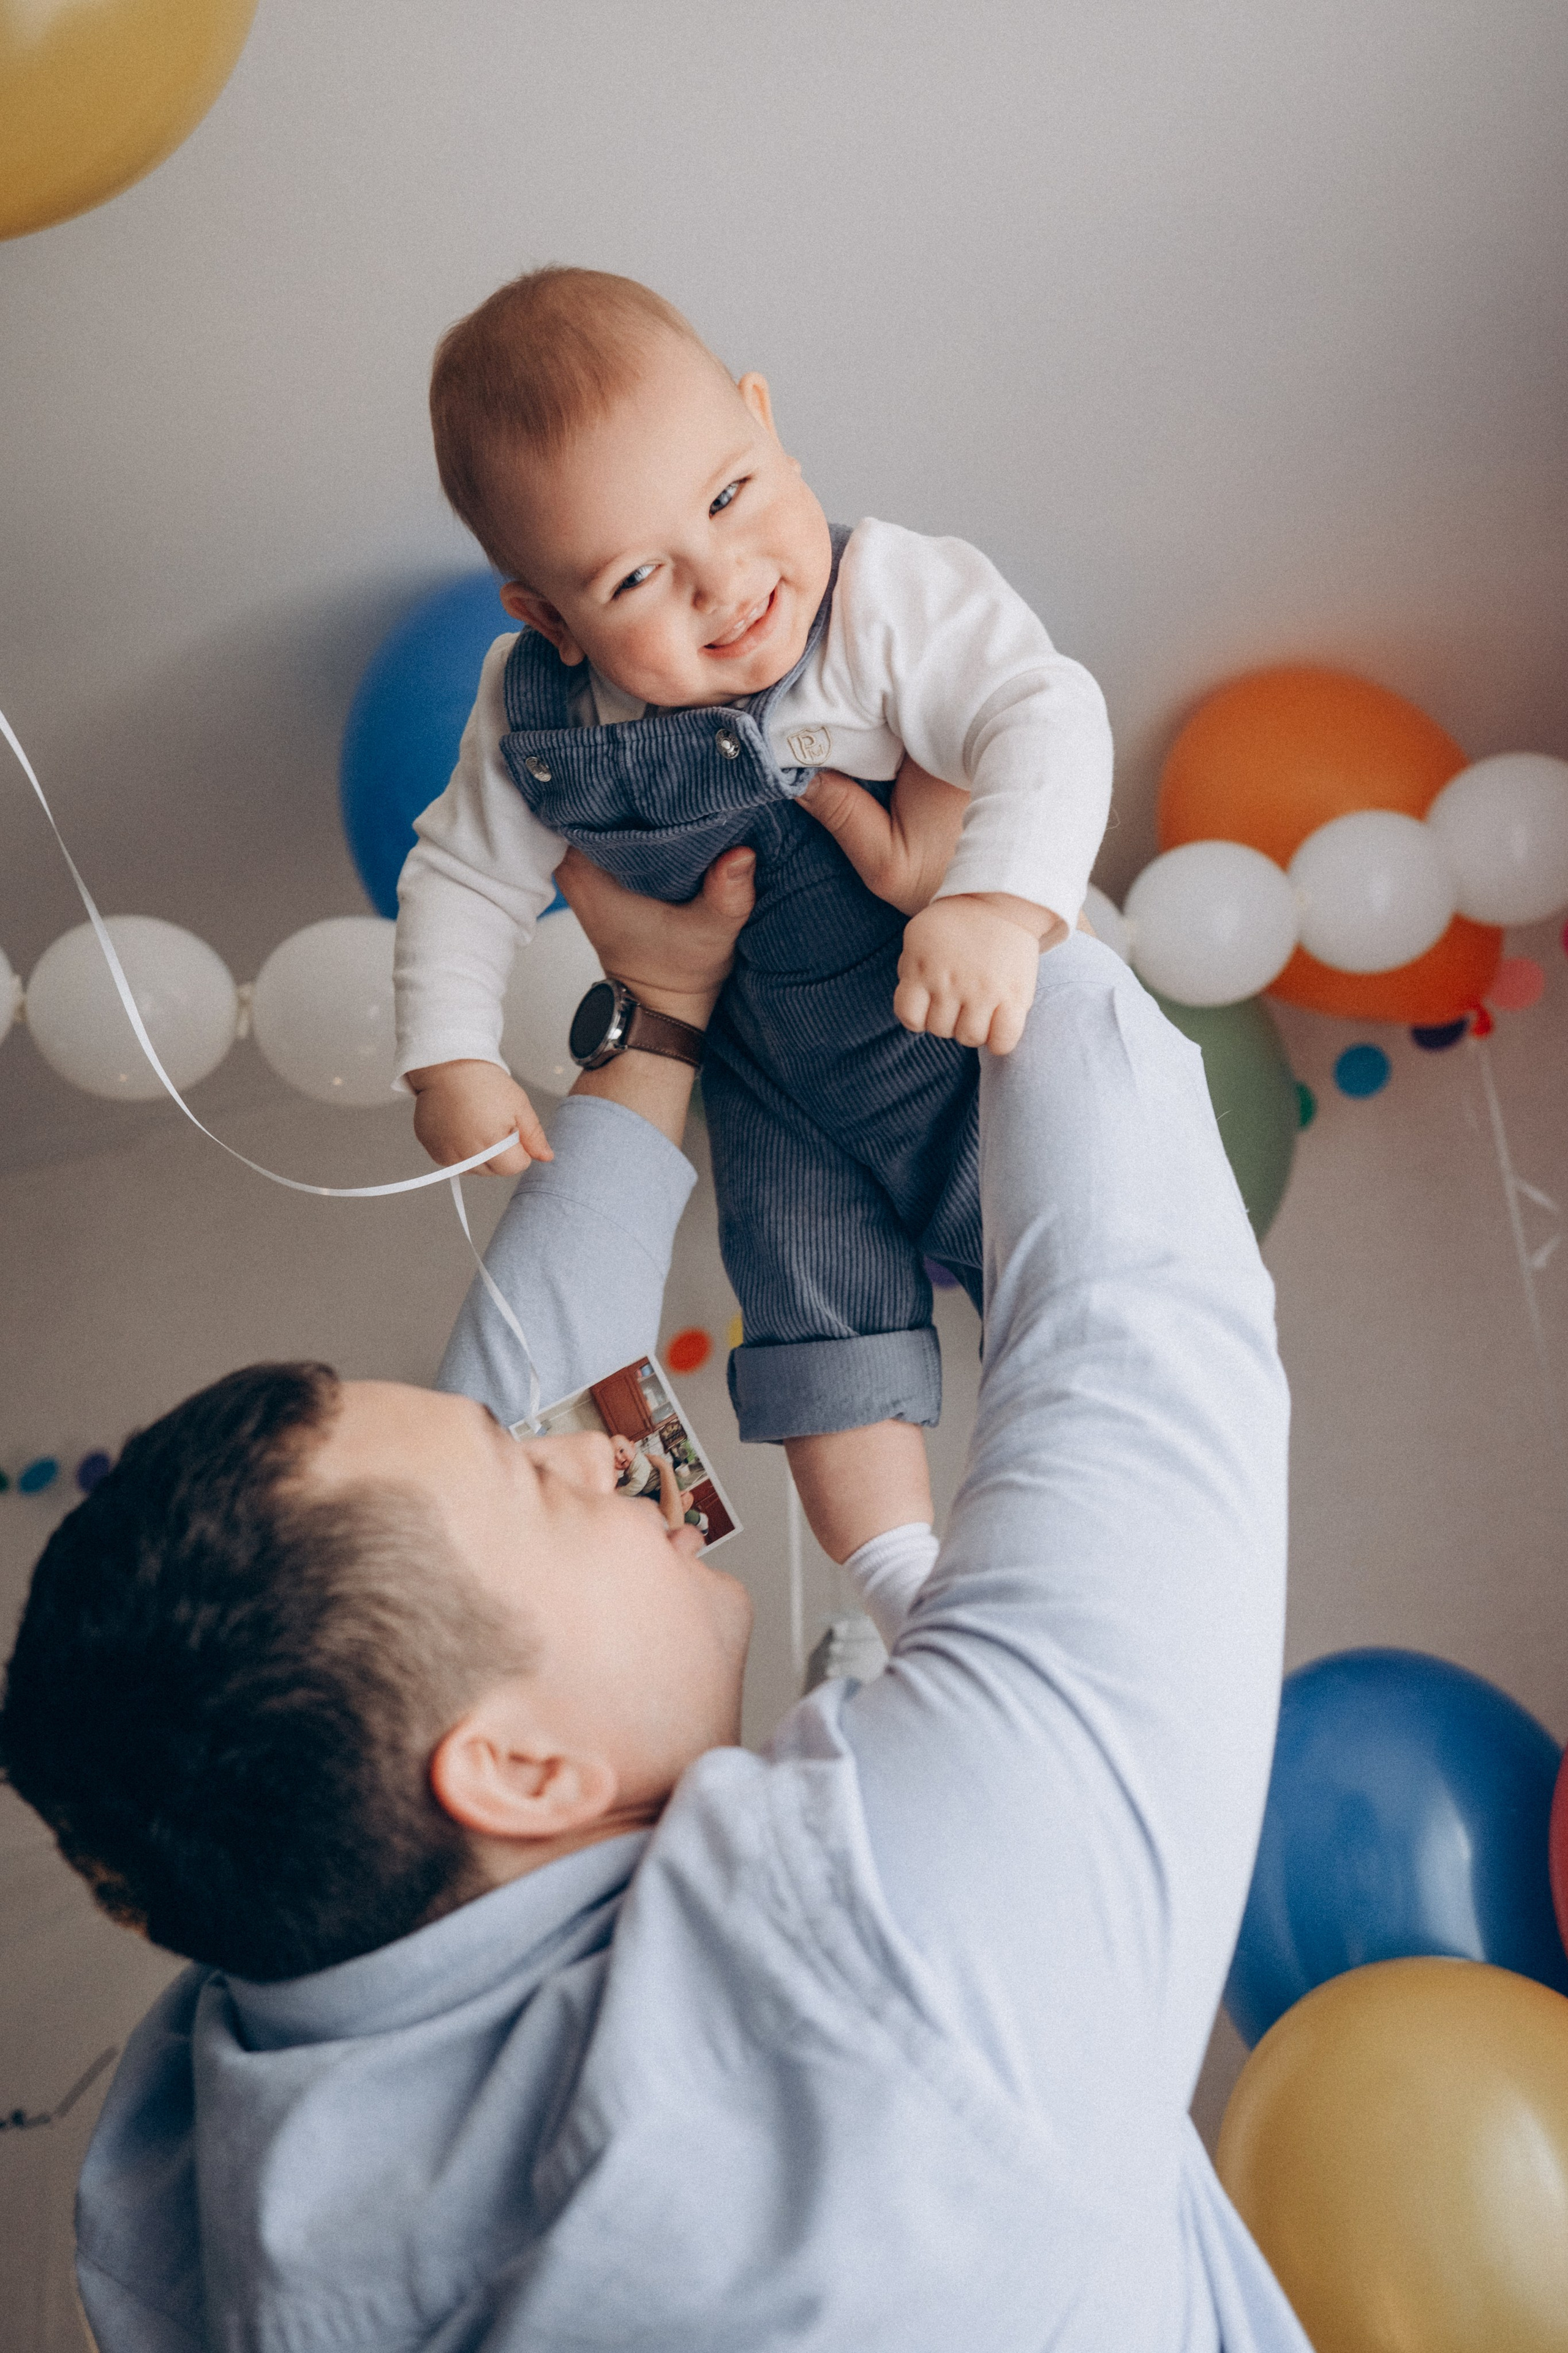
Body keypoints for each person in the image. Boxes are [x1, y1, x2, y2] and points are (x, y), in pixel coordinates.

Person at [0, 793, 1305, 2351]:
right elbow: (1139, 1333)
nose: (579, 1453)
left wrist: (663, 1011)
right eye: (532, 1485)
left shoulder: (222, 2120)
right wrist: (1010, 894)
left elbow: (521, 1460)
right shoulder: (879, 1968)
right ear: (518, 1769)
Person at [394, 265, 1114, 1587]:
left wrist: (993, 906)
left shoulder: (885, 600)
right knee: (813, 1332)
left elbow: (1044, 709)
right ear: (549, 620)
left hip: (954, 1031)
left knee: (1072, 1274)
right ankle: (899, 1582)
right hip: (775, 1096)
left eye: (729, 496)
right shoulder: (534, 718)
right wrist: (449, 1057)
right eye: (635, 578)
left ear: (766, 421)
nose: (723, 582)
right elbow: (459, 876)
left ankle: (1097, 1539)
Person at [609, 1430, 685, 1532]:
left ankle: (700, 1522)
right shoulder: (630, 1469)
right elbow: (627, 1480)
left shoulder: (638, 1462)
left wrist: (620, 1492)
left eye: (621, 1451)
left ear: (632, 1446)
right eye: (613, 1458)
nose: (619, 1458)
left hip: (660, 1488)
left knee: (685, 1515)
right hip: (659, 1489)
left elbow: (638, 1483)